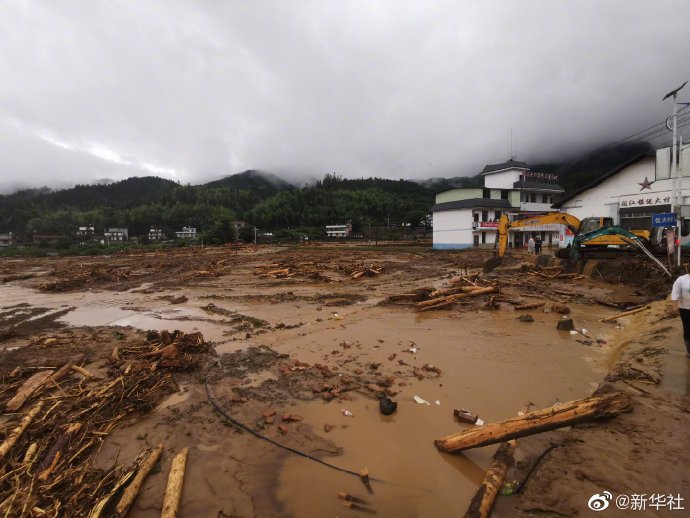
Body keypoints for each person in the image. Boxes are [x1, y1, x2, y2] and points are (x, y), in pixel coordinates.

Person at [671, 265, 690, 357]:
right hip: (685, 309)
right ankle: (689, 349)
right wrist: (675, 306)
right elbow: (675, 293)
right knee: (687, 329)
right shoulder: (681, 280)